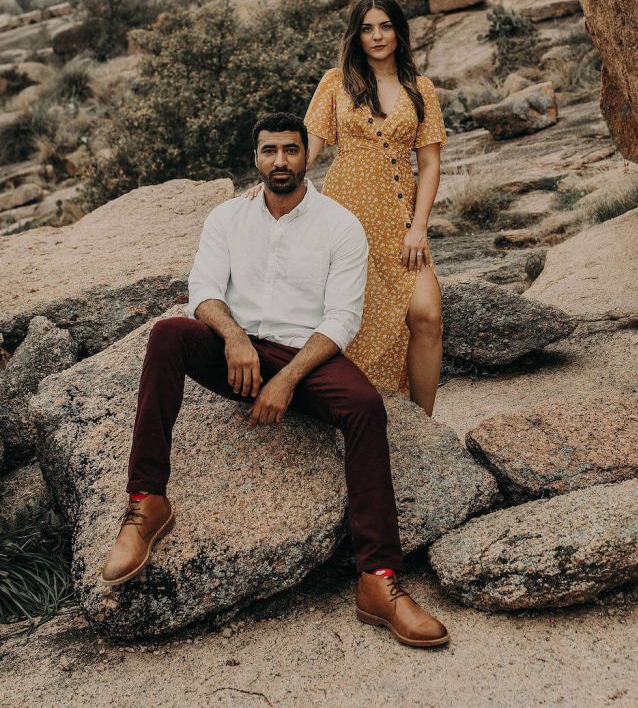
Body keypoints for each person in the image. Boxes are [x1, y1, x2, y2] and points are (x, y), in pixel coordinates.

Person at [101, 112, 449, 648]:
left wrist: (285, 379)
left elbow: (341, 320)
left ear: (306, 156)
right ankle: (148, 501)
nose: (280, 161)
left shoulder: (339, 225)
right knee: (168, 334)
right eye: (270, 151)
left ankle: (378, 580)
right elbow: (204, 292)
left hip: (304, 356)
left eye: (291, 150)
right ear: (255, 158)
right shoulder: (226, 219)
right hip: (235, 351)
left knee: (365, 407)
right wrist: (235, 339)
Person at [246, 0, 447, 415]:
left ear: (399, 31)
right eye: (368, 28)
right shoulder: (336, 83)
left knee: (426, 316)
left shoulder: (421, 89)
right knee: (347, 317)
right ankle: (352, 411)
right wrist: (269, 182)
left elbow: (429, 164)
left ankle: (423, 423)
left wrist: (419, 227)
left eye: (386, 26)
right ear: (356, 36)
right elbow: (309, 147)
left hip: (399, 218)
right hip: (343, 214)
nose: (377, 36)